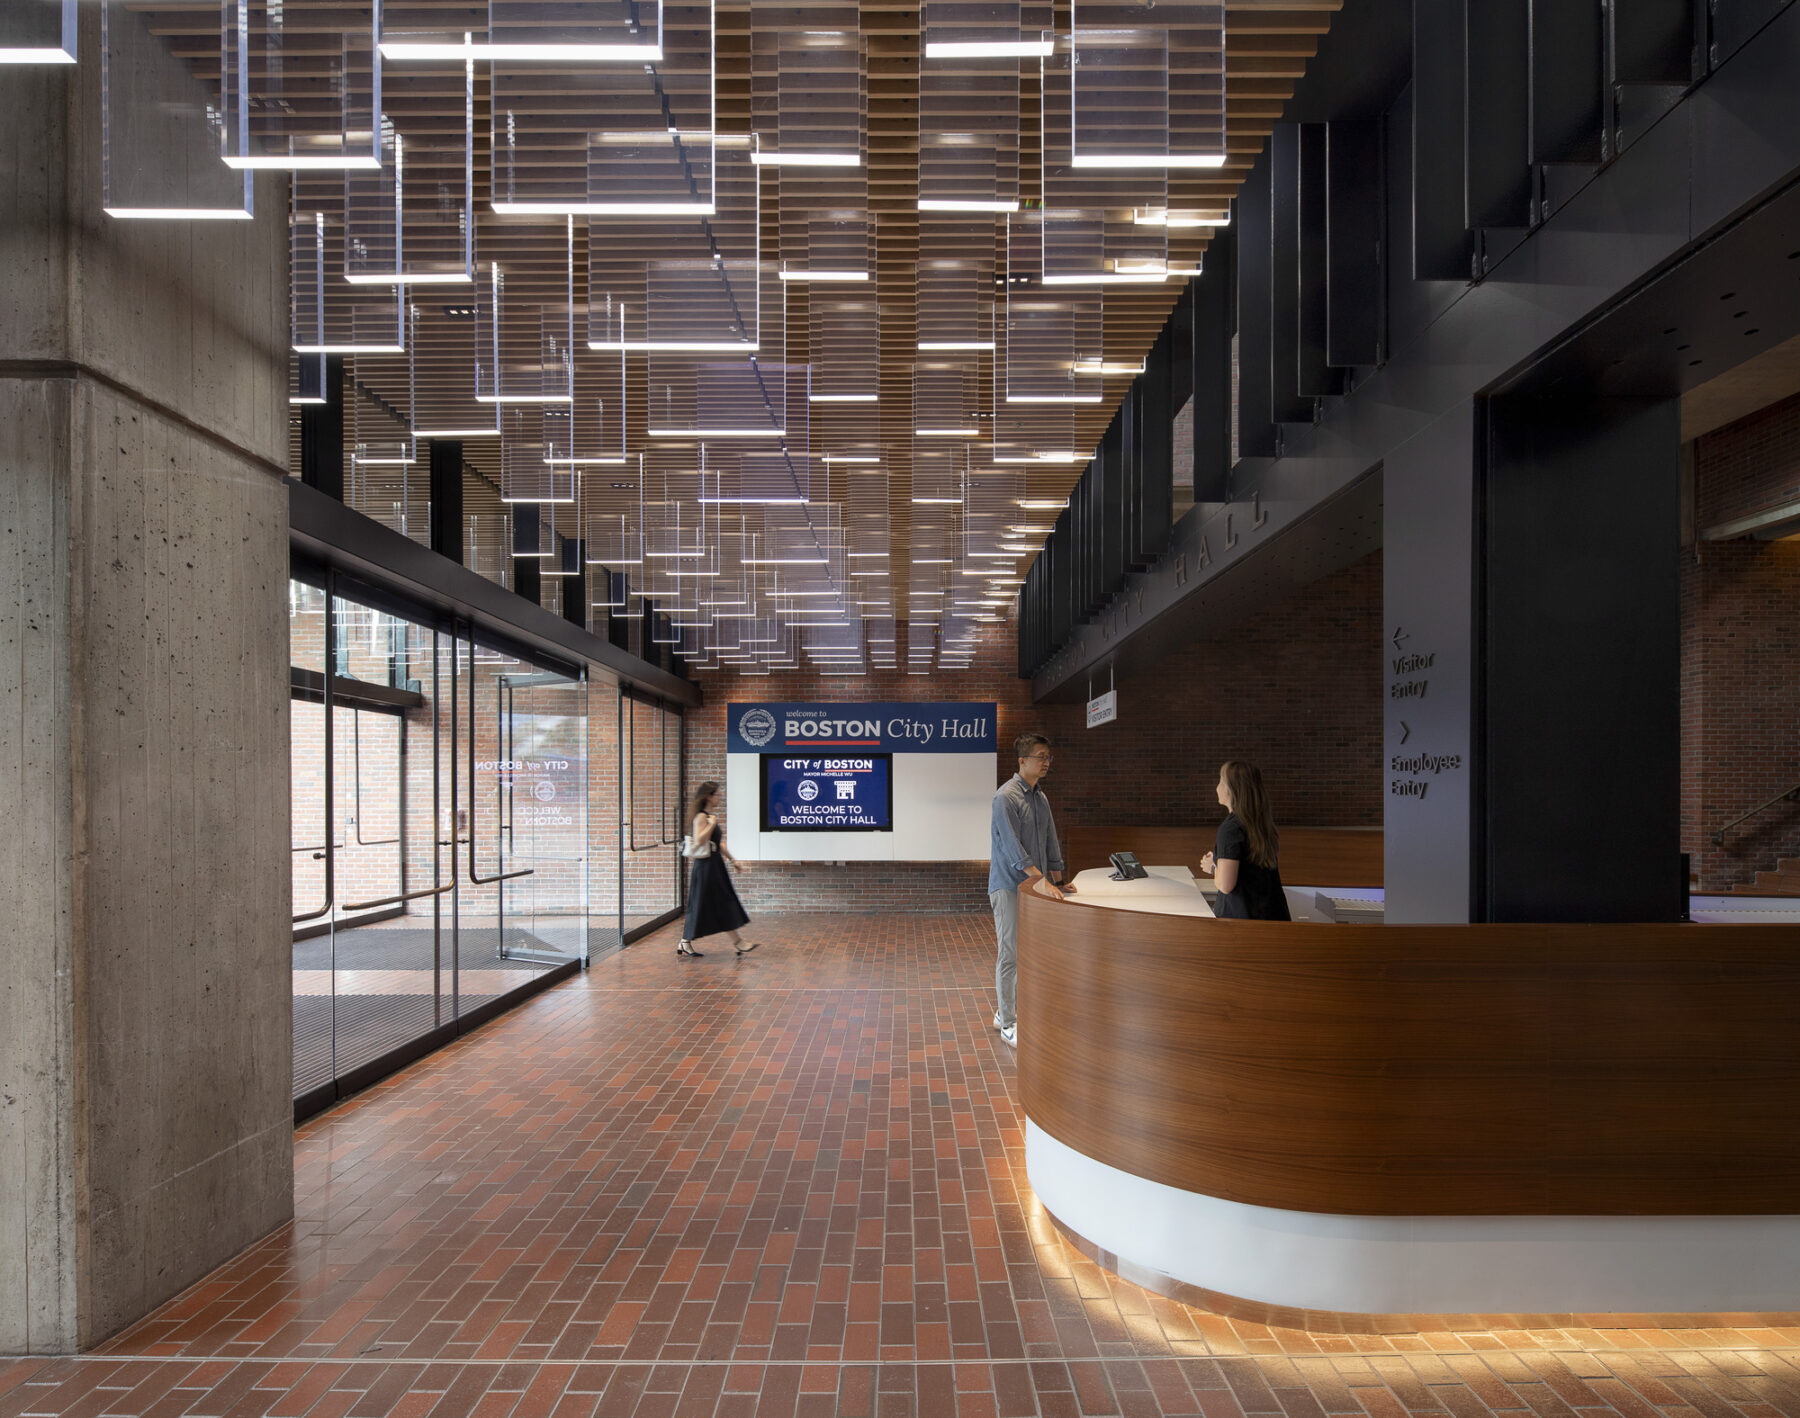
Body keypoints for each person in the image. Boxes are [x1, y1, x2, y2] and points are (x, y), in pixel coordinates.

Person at [988, 733, 1073, 1047]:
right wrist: (1044, 883)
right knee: (1010, 954)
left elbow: (1050, 842)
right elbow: (1014, 851)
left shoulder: (1041, 797)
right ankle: (1009, 1023)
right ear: (1022, 760)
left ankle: (1002, 1011)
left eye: (1048, 756)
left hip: (1035, 887)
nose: (1046, 762)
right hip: (1008, 887)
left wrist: (1059, 881)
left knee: (1029, 952)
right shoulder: (1005, 797)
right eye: (1040, 756)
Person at [677, 781, 761, 958]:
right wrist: (711, 824)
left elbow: (718, 843)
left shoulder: (708, 816)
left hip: (714, 864)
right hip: (706, 866)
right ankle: (738, 942)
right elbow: (699, 840)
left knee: (703, 904)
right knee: (719, 901)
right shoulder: (702, 817)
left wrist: (733, 861)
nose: (720, 798)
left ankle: (685, 941)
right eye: (718, 795)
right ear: (709, 796)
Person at [1199, 761, 1292, 921]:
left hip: (1243, 924)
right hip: (1274, 918)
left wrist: (1213, 867)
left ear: (1231, 790)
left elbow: (1226, 885)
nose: (1217, 787)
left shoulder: (1230, 829)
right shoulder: (1261, 824)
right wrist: (1219, 859)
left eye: (1221, 781)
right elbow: (1250, 871)